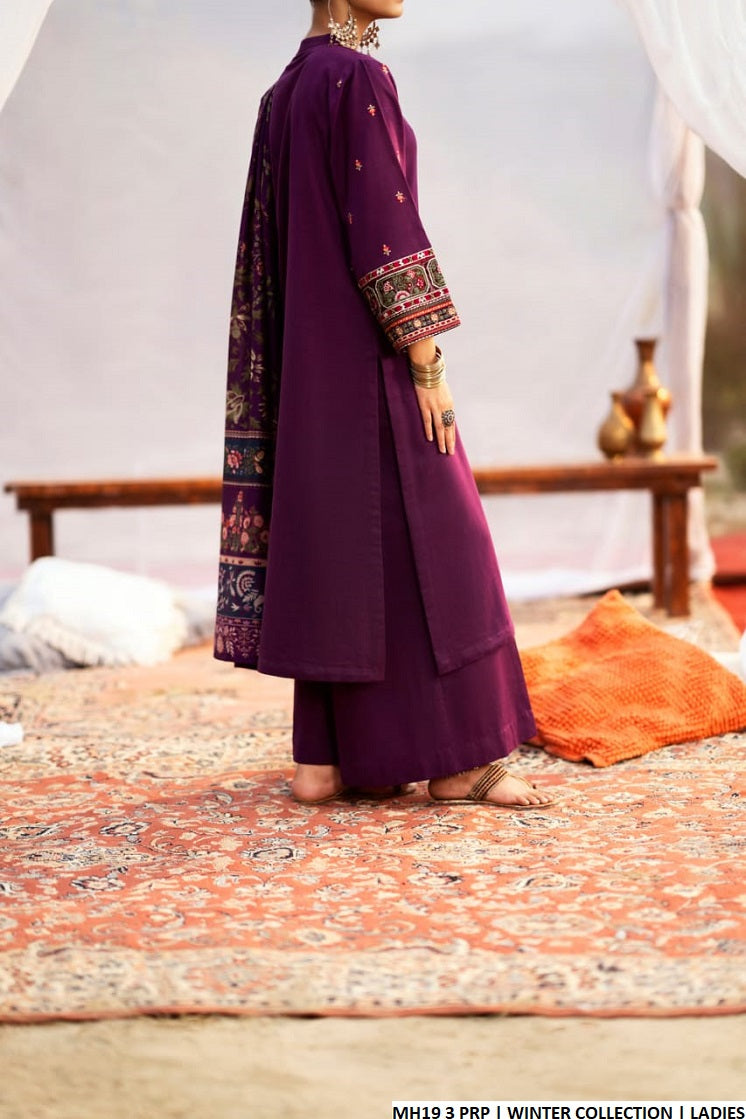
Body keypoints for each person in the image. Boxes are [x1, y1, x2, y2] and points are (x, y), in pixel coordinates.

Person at [214, 0, 553, 809]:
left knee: (344, 556)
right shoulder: (358, 78)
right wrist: (427, 364)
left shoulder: (284, 92)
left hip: (309, 378)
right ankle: (460, 763)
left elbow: (269, 256)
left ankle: (325, 761)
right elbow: (386, 232)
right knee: (449, 546)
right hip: (371, 366)